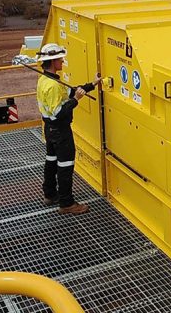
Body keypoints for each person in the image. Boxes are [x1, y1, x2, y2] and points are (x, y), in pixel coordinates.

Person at [36, 43, 101, 215]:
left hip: (49, 130)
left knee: (51, 161)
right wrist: (77, 100)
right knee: (65, 166)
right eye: (60, 59)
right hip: (60, 130)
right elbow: (60, 112)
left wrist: (91, 84)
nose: (63, 61)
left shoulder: (45, 80)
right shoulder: (53, 86)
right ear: (52, 61)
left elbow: (70, 92)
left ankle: (49, 194)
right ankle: (66, 203)